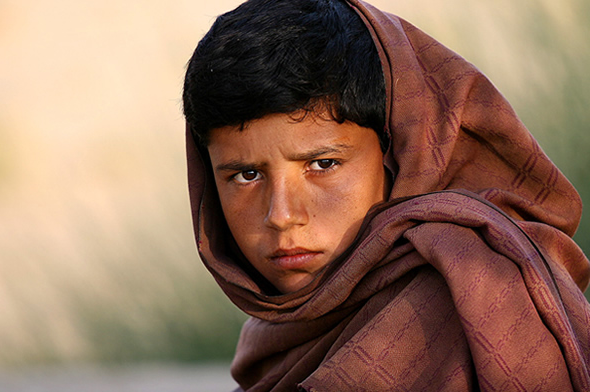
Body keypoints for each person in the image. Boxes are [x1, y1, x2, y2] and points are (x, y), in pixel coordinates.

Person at [182, 0, 590, 390]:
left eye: (323, 164)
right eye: (247, 174)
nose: (282, 215)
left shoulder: (469, 296)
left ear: (397, 154)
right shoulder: (277, 334)